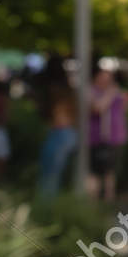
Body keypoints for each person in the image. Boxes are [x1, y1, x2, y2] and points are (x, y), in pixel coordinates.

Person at [35, 54, 77, 200]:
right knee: (53, 174)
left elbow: (58, 117)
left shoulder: (53, 91)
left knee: (50, 175)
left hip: (60, 132)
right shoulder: (67, 89)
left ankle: (47, 205)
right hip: (67, 132)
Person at [88, 67, 128, 202]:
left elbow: (124, 108)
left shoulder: (114, 91)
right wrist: (110, 94)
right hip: (97, 137)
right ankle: (93, 201)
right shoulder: (92, 91)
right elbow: (98, 108)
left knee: (110, 170)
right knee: (95, 171)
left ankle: (109, 199)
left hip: (114, 137)